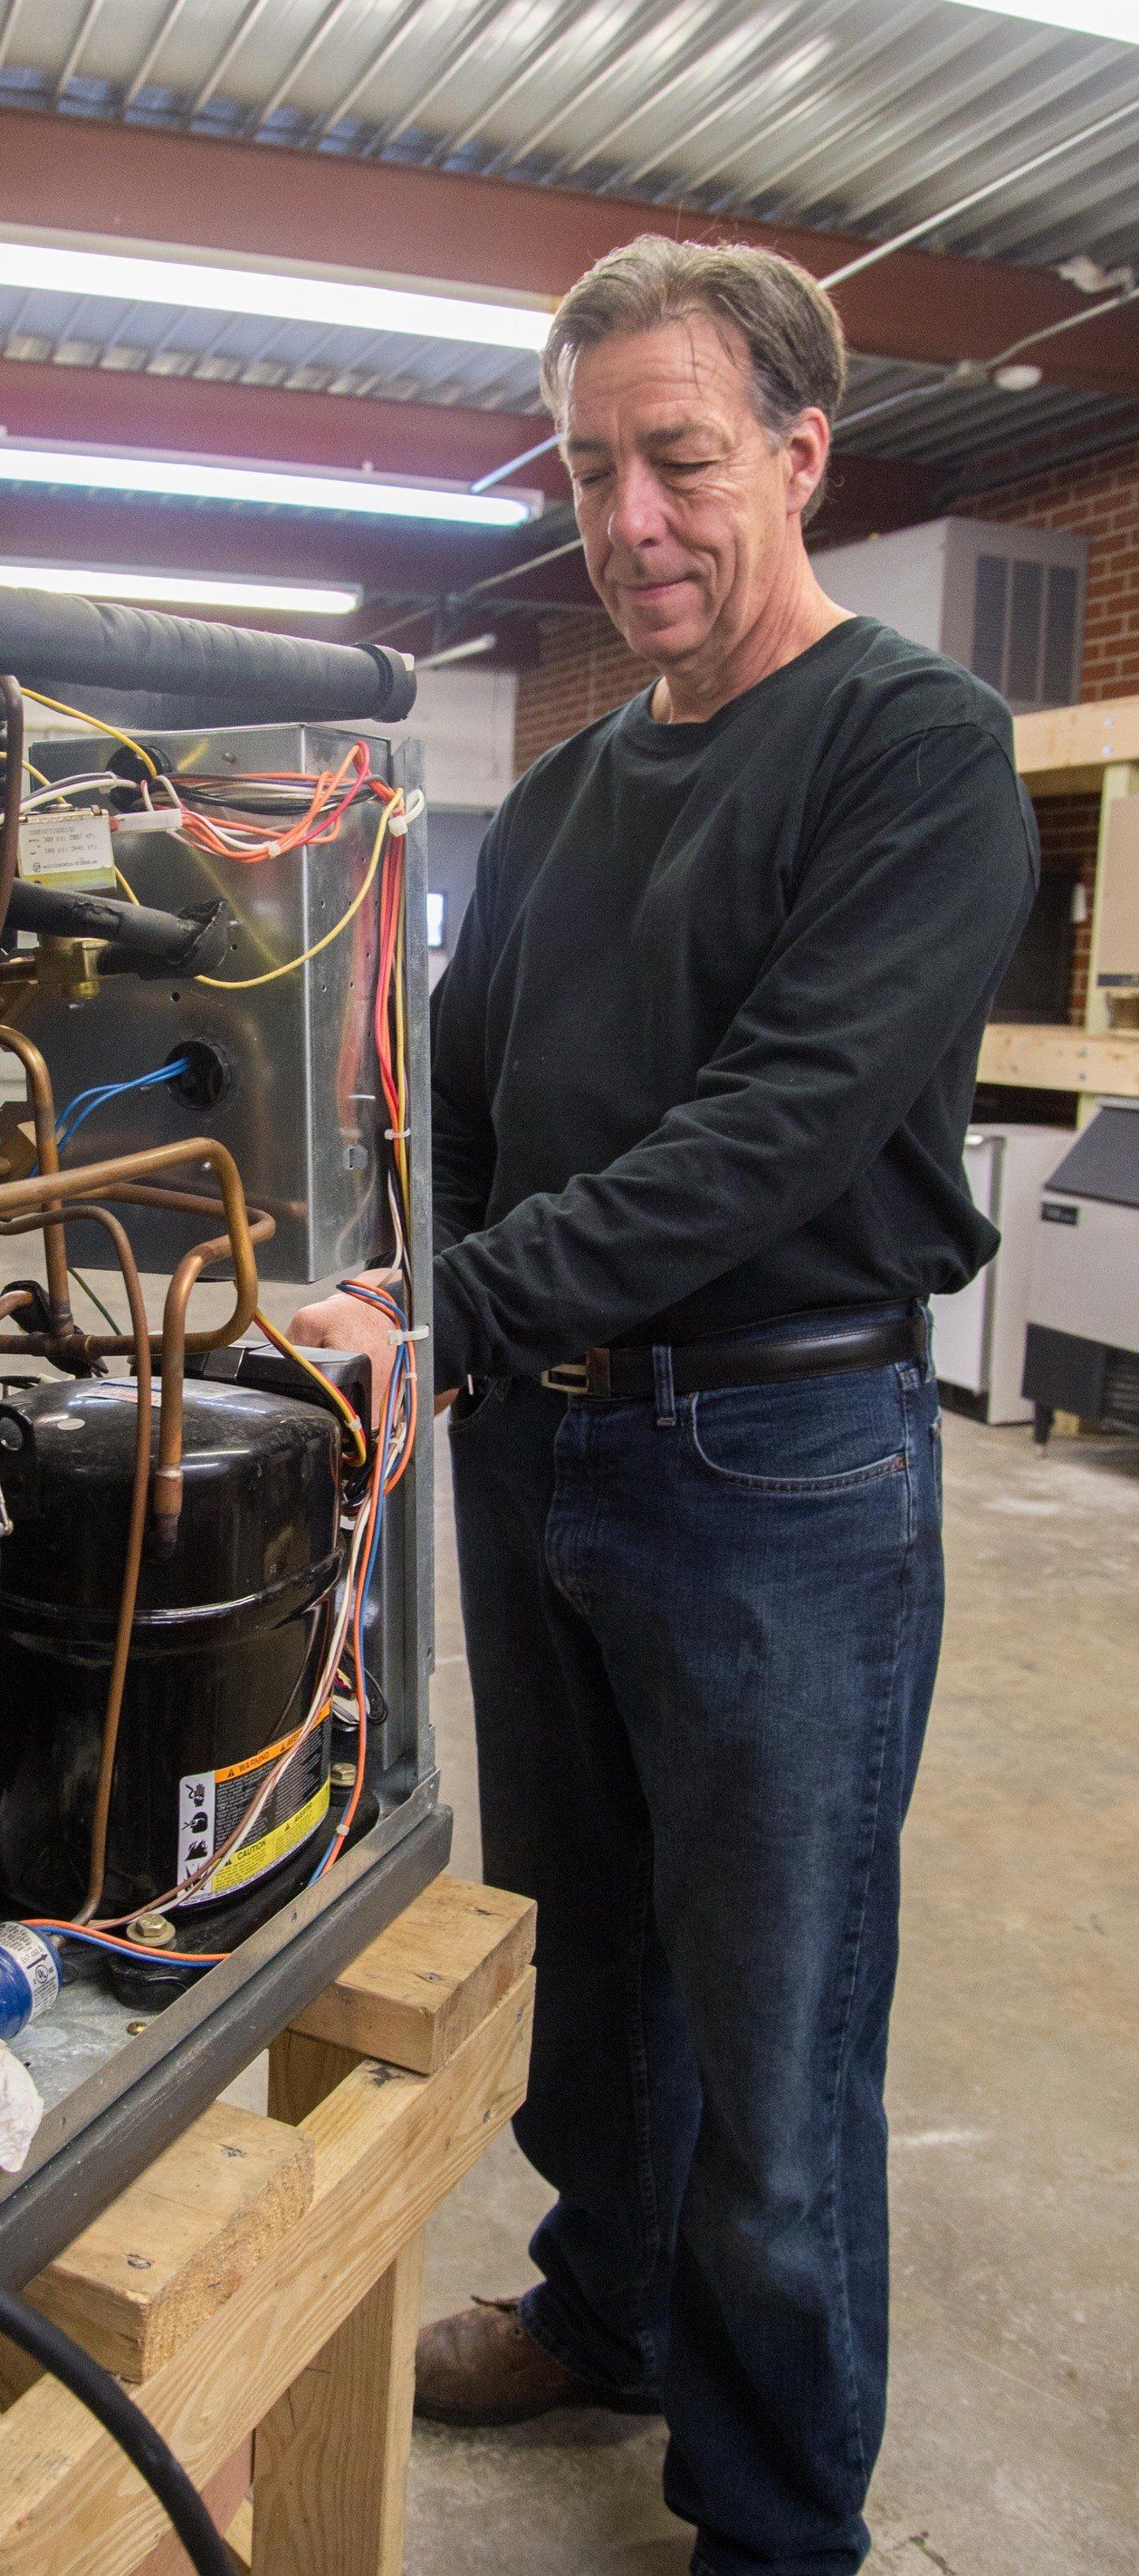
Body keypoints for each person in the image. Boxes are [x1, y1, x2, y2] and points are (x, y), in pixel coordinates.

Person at [291, 235, 1038, 2576]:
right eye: (592, 466)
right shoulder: (575, 788)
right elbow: (471, 1108)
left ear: (802, 454)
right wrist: (428, 1301)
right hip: (547, 1436)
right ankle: (608, 2309)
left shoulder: (916, 749)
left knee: (778, 2022)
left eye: (682, 459)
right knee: (589, 1951)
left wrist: (452, 1310)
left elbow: (775, 1128)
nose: (632, 519)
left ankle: (778, 2511)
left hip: (777, 1465)